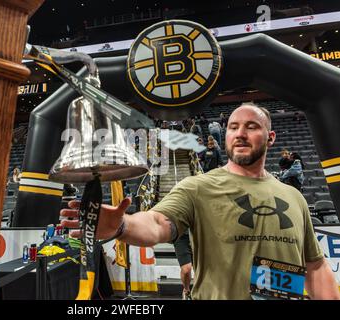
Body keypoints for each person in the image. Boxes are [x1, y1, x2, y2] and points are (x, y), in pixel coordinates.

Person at [60, 102, 340, 300]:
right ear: (226, 135)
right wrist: (123, 226)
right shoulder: (198, 186)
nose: (240, 133)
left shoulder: (293, 196)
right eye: (233, 127)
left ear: (271, 137)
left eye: (251, 126)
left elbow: (315, 265)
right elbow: (158, 222)